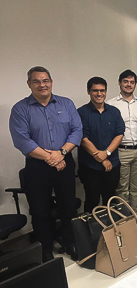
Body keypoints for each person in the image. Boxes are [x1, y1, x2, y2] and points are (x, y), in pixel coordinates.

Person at [9, 66, 83, 262]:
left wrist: (61, 153)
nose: (42, 85)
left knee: (68, 207)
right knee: (39, 211)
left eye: (45, 80)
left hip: (64, 162)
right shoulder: (20, 109)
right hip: (37, 167)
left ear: (51, 82)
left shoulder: (66, 104)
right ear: (29, 84)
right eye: (36, 81)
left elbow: (76, 131)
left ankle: (70, 243)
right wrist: (51, 157)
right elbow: (22, 140)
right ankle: (45, 250)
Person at [77, 77, 125, 214]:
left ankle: (111, 231)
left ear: (106, 91)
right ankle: (92, 233)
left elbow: (119, 134)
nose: (99, 94)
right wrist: (103, 158)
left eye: (102, 90)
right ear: (88, 91)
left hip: (113, 164)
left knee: (110, 199)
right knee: (92, 200)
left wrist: (107, 153)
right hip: (90, 166)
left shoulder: (114, 112)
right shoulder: (81, 113)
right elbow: (82, 138)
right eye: (95, 90)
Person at [107, 69, 137, 214]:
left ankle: (136, 215)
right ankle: (123, 217)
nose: (129, 85)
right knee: (121, 187)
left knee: (136, 187)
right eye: (126, 82)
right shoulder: (110, 104)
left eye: (132, 82)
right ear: (119, 83)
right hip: (121, 151)